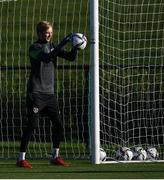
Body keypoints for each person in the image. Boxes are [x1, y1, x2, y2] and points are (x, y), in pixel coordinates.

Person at [16, 21, 78, 168]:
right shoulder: (34, 47)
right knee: (32, 124)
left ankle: (55, 156)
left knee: (58, 124)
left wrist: (75, 46)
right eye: (46, 32)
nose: (48, 34)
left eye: (50, 32)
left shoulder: (53, 46)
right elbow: (47, 57)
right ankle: (21, 159)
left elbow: (70, 58)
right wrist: (64, 41)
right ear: (39, 33)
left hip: (49, 95)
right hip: (36, 93)